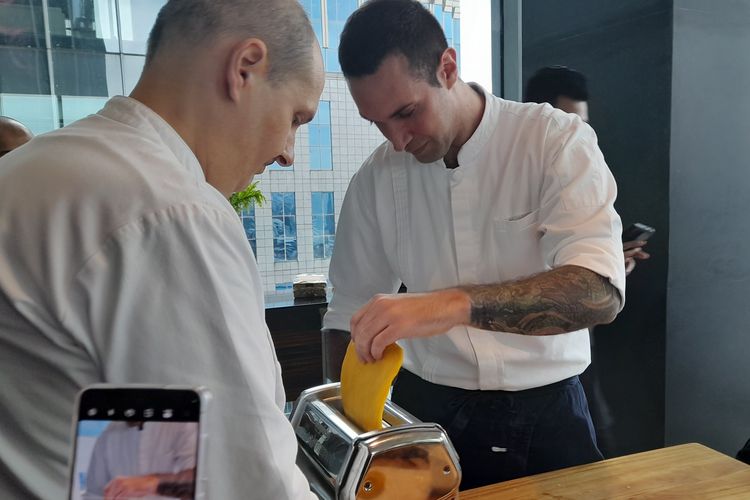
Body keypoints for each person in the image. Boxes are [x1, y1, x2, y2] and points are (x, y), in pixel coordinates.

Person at [0, 1, 324, 498]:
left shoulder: (33, 168)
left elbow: (132, 447)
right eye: (296, 117)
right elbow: (249, 477)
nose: (287, 152)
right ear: (245, 68)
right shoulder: (171, 212)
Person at [323, 0, 626, 489]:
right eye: (377, 122)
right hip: (430, 414)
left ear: (448, 67)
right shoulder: (376, 179)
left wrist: (451, 305)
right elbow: (346, 314)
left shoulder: (553, 141)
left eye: (406, 113)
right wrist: (347, 432)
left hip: (551, 413)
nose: (397, 141)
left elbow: (598, 291)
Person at [524, 65, 651, 457]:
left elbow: (590, 273)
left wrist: (611, 266)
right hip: (533, 375)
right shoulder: (519, 182)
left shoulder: (584, 177)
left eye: (586, 125)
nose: (580, 135)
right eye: (571, 122)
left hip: (582, 358)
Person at [83, 422, 196, 500]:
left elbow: (197, 482)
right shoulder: (110, 433)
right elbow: (94, 493)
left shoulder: (182, 423)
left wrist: (149, 483)